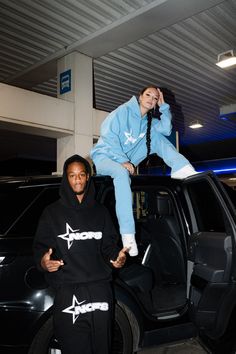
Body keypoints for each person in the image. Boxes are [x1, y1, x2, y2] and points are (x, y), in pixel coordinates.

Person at [33, 154, 128, 354]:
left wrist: (117, 259)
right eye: (72, 175)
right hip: (68, 292)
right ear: (66, 179)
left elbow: (109, 247)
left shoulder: (101, 212)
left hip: (100, 289)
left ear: (87, 177)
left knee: (102, 347)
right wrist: (44, 262)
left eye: (81, 174)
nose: (77, 179)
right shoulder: (52, 213)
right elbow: (41, 248)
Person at [90, 85, 197, 257]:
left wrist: (164, 107)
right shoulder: (123, 111)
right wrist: (121, 160)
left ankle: (181, 167)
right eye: (148, 95)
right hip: (106, 156)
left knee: (157, 137)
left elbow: (166, 129)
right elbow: (108, 134)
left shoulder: (149, 121)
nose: (151, 99)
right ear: (140, 97)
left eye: (155, 98)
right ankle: (128, 235)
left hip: (127, 160)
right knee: (120, 173)